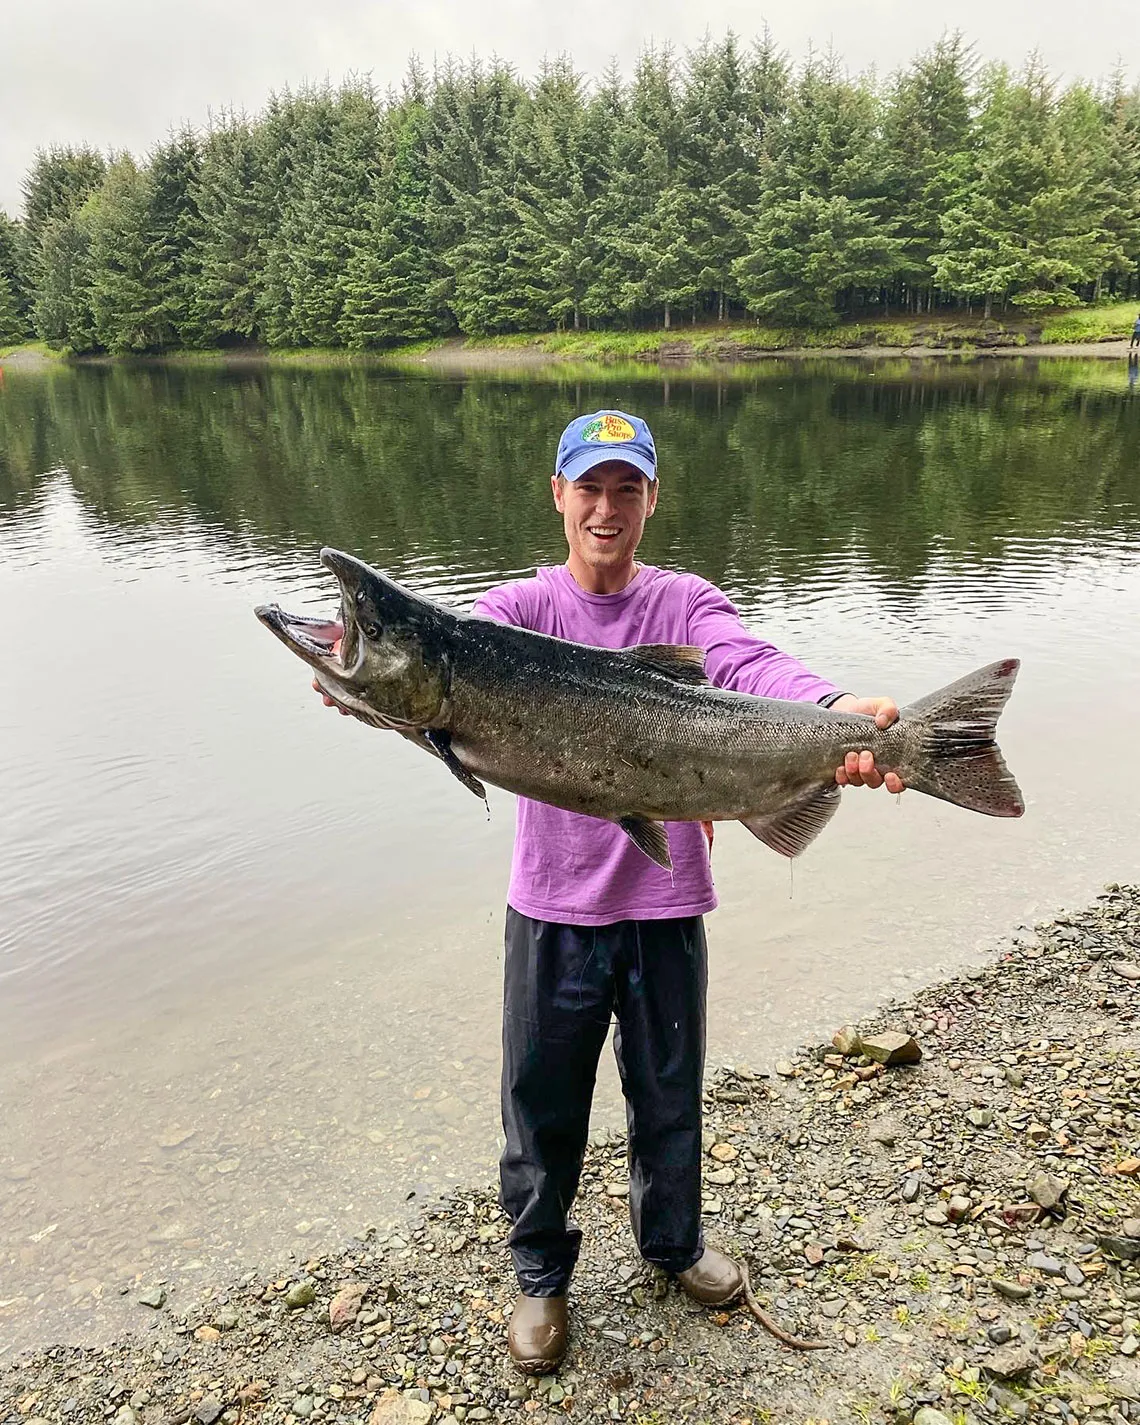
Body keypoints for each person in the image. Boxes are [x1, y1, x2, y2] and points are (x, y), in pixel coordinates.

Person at [316, 409, 903, 1375]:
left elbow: (749, 664)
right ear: (558, 494)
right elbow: (435, 675)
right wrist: (367, 690)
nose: (605, 508)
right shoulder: (513, 614)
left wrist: (837, 714)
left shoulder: (684, 604)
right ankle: (540, 1276)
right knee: (541, 1101)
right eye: (589, 487)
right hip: (552, 908)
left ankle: (672, 1246)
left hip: (666, 907)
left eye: (625, 489)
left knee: (669, 1095)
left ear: (650, 501)